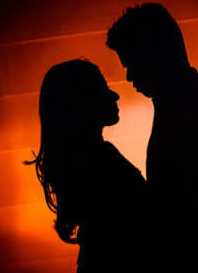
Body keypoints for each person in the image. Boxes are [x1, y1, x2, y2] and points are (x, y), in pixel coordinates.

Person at [106, 3, 198, 272]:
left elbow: (194, 205)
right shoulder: (190, 103)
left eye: (132, 64)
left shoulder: (193, 106)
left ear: (155, 55)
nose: (128, 76)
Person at [28, 59, 155, 272]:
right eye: (103, 90)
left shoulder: (81, 162)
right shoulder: (101, 162)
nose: (115, 95)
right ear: (82, 103)